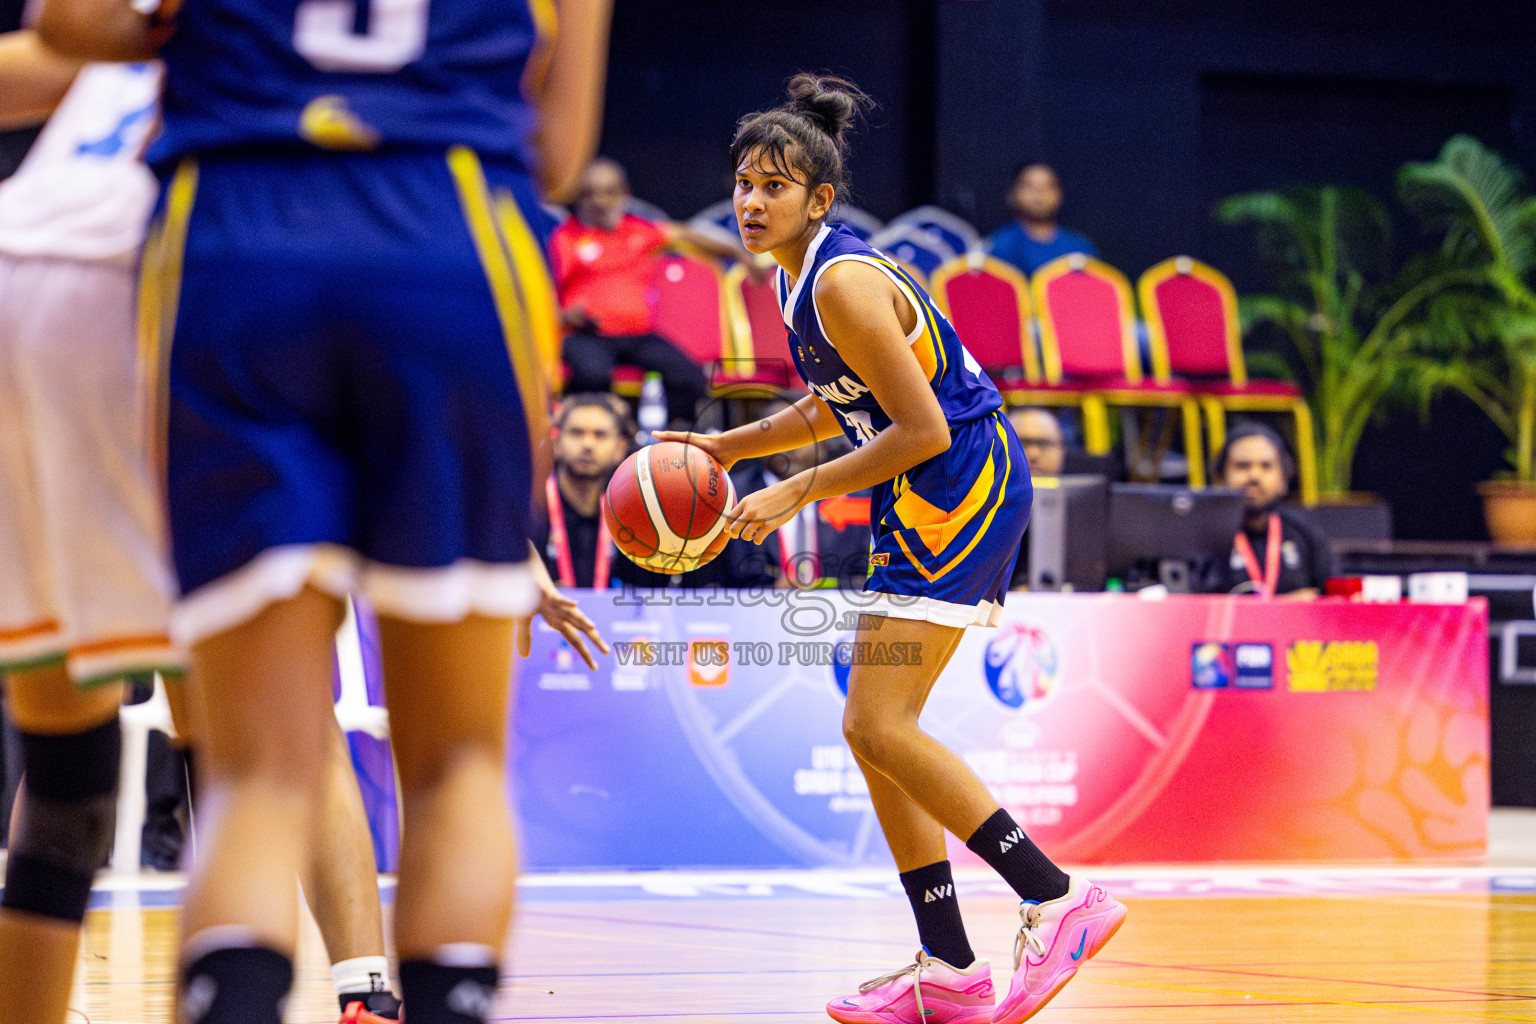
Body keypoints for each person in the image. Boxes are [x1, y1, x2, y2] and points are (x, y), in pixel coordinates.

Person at [37, 5, 614, 1024]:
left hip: (236, 234)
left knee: (253, 770)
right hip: (451, 235)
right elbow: (559, 154)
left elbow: (74, 24)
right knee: (456, 767)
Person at [657, 73, 1125, 1024]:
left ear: (818, 200)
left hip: (962, 482)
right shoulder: (800, 278)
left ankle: (1057, 896)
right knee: (874, 735)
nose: (749, 202)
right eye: (742, 183)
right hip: (924, 494)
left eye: (771, 187)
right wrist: (733, 447)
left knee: (878, 726)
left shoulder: (845, 281)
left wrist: (792, 490)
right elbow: (834, 404)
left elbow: (924, 432)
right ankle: (949, 967)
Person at [534, 391, 774, 590]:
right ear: (556, 443)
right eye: (576, 433)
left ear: (620, 447)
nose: (587, 445)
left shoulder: (647, 505)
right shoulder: (531, 508)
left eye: (600, 435)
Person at [1199, 422, 1332, 598]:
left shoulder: (1306, 535)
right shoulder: (1200, 538)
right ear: (1221, 478)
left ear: (1284, 480)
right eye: (1242, 466)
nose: (1254, 476)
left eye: (1266, 466)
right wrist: (1284, 606)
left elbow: (1333, 601)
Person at [986, 163, 1097, 277]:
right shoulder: (999, 245)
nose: (1039, 193)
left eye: (1048, 186)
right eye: (1029, 186)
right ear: (1012, 194)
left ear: (1060, 194)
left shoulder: (1079, 246)